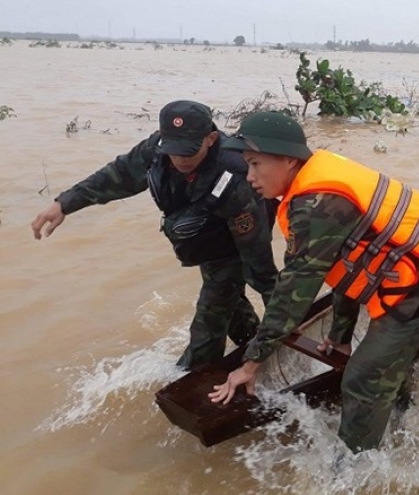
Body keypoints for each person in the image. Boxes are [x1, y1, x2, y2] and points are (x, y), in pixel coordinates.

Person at [208, 112, 419, 453]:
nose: (251, 176)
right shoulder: (316, 178)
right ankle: (403, 411)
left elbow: (292, 295)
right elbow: (347, 269)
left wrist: (250, 364)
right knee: (379, 363)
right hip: (415, 272)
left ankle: (356, 471)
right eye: (247, 164)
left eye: (256, 164)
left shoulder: (316, 205)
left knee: (362, 379)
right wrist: (340, 336)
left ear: (289, 159)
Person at [30, 100, 278, 369]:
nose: (181, 159)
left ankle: (190, 381)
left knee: (211, 315)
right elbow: (119, 175)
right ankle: (248, 339)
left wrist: (281, 320)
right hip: (204, 234)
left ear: (211, 138)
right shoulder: (158, 149)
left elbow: (257, 254)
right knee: (228, 301)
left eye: (189, 151)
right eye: (174, 150)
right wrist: (64, 203)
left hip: (238, 235)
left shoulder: (235, 175)